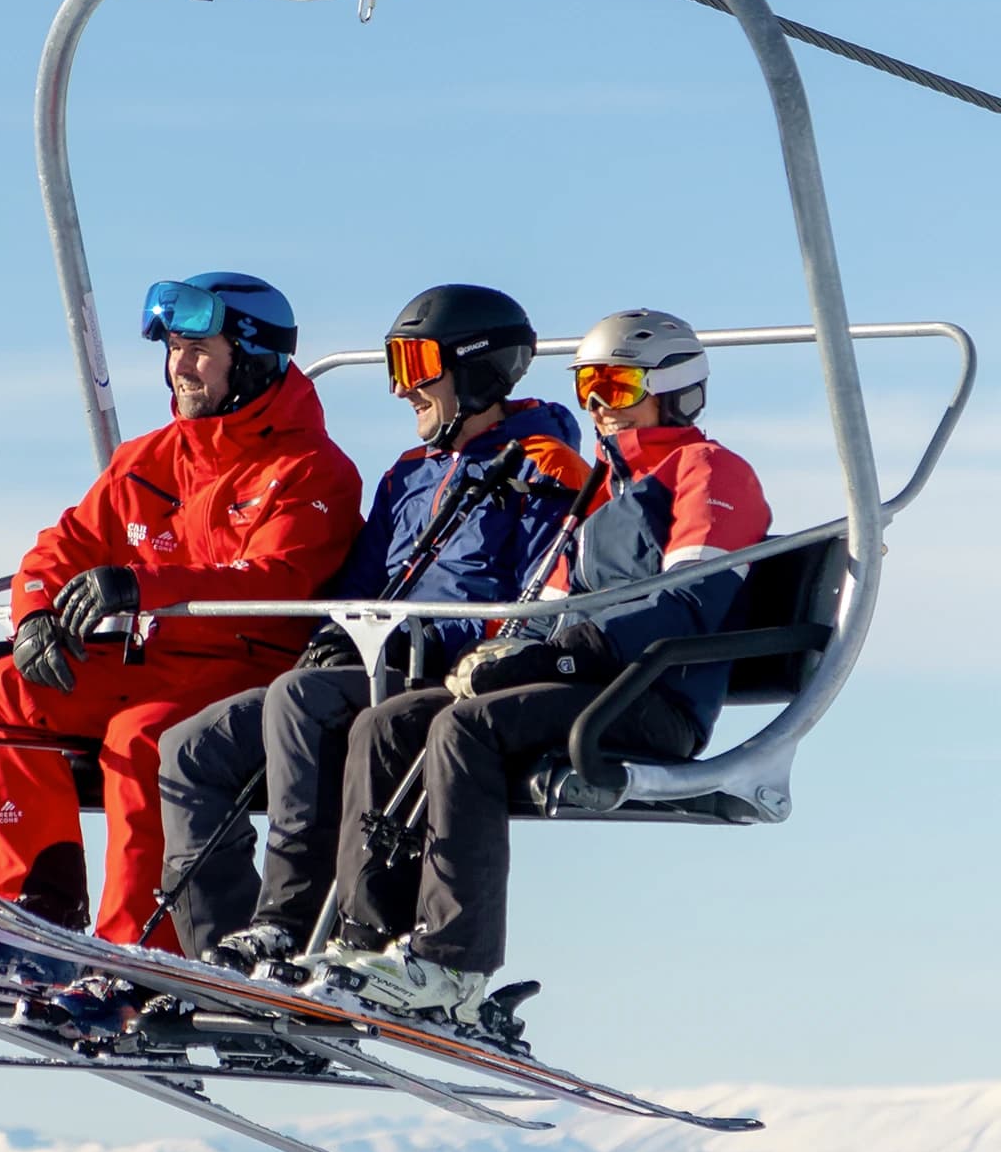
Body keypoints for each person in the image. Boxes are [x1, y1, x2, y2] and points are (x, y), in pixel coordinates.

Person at [299, 308, 770, 1027]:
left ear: (673, 390)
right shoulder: (602, 490)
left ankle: (452, 963)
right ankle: (364, 942)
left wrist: (562, 649)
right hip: (583, 687)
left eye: (615, 386)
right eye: (588, 385)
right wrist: (507, 653)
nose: (596, 406)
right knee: (390, 723)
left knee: (466, 731)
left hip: (652, 698)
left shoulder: (708, 471)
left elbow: (688, 601)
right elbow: (545, 605)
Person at [0, 272, 364, 979]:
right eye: (173, 350)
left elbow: (279, 581)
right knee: (8, 688)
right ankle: (37, 916)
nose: (178, 367)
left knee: (141, 739)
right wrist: (37, 610)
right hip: (151, 660)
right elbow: (61, 547)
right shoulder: (150, 459)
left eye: (197, 350)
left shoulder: (312, 471)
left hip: (246, 667)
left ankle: (136, 949)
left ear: (250, 356)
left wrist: (142, 584)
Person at [154, 284, 591, 972]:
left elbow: (540, 600)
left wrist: (437, 645)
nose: (401, 390)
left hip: (438, 673)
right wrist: (334, 633)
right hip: (367, 664)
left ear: (476, 369)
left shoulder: (545, 471)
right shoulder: (407, 475)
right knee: (189, 748)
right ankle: (220, 960)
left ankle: (286, 925)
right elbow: (360, 586)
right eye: (394, 368)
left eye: (415, 367)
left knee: (302, 702)